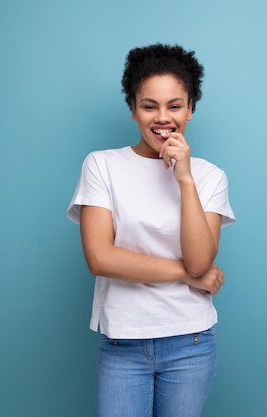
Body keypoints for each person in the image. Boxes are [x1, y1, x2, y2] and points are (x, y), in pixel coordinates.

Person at [67, 43, 235, 417]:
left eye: (175, 105)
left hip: (191, 341)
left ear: (190, 108)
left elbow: (199, 261)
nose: (163, 117)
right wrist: (186, 275)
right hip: (123, 343)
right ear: (132, 109)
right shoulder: (102, 166)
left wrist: (185, 180)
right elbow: (100, 257)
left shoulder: (209, 177)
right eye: (149, 106)